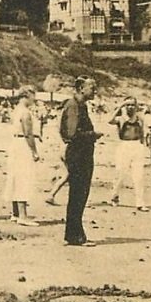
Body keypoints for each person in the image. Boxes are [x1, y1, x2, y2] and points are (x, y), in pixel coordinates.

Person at [59, 77, 103, 246]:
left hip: (81, 153)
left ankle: (73, 234)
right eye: (92, 87)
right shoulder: (73, 106)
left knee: (79, 194)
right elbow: (71, 134)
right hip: (79, 154)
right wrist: (93, 135)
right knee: (78, 194)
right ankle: (75, 236)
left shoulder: (79, 105)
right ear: (81, 88)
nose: (95, 91)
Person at [4, 88, 41, 226]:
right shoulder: (25, 112)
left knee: (15, 176)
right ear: (26, 96)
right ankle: (23, 216)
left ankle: (15, 213)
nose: (34, 99)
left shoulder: (16, 110)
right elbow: (27, 134)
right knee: (23, 177)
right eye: (33, 96)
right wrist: (34, 151)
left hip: (15, 144)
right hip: (23, 146)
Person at [108, 98, 149, 212]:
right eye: (128, 105)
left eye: (132, 105)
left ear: (136, 107)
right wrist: (120, 106)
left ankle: (140, 203)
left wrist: (143, 146)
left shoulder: (140, 118)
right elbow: (110, 120)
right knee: (120, 173)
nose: (130, 107)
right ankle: (114, 196)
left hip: (137, 146)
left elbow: (142, 133)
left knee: (139, 176)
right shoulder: (121, 119)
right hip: (124, 145)